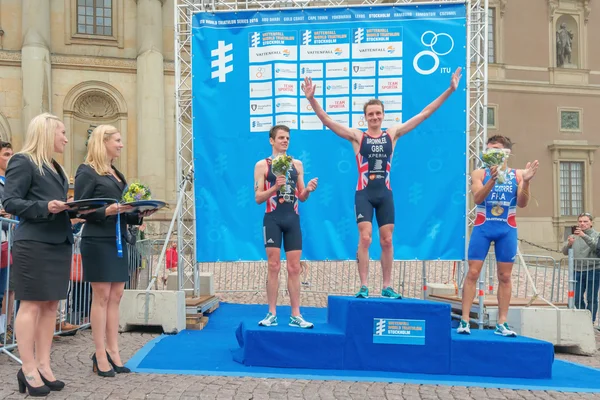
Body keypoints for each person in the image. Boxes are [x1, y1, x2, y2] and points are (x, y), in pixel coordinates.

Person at [302, 68, 462, 299]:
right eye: (371, 114)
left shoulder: (392, 134)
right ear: (365, 117)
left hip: (385, 194)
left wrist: (449, 90)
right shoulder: (358, 137)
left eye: (378, 113)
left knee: (387, 240)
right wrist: (312, 99)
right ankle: (364, 285)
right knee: (365, 237)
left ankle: (387, 285)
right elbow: (327, 121)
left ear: (383, 115)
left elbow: (425, 113)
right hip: (364, 194)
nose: (375, 117)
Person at [3, 113, 74, 395]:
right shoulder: (23, 160)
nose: (67, 139)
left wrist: (74, 209)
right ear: (47, 133)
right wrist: (47, 207)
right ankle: (27, 367)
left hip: (58, 241)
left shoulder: (56, 167)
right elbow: (10, 201)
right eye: (62, 133)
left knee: (50, 307)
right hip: (33, 242)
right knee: (30, 305)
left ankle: (44, 365)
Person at [74, 125, 151, 377]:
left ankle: (114, 351)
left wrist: (138, 214)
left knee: (117, 295)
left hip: (118, 240)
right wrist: (104, 212)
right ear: (103, 141)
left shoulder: (117, 173)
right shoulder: (86, 171)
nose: (121, 144)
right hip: (97, 240)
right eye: (117, 140)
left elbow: (124, 214)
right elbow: (79, 211)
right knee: (102, 297)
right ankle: (99, 353)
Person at [457, 135, 539, 337]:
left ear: (506, 153)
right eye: (489, 149)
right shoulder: (479, 173)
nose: (491, 153)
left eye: (496, 149)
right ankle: (465, 320)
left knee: (505, 276)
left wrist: (526, 182)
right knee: (473, 273)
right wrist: (492, 180)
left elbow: (522, 203)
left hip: (507, 228)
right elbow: (477, 198)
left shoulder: (517, 174)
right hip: (483, 227)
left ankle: (502, 323)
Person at [253, 125, 318, 328]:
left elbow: (302, 197)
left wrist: (307, 189)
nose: (285, 141)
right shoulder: (262, 165)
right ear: (271, 140)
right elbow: (257, 198)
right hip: (272, 219)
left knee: (294, 268)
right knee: (273, 266)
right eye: (281, 137)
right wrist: (275, 187)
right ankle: (271, 313)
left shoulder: (296, 164)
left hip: (292, 220)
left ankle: (295, 314)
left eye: (287, 138)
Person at [562, 212, 600, 322]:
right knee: (577, 298)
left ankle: (590, 321)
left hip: (593, 270)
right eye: (580, 221)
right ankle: (584, 320)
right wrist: (569, 244)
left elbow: (596, 248)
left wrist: (584, 236)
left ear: (591, 223)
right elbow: (564, 252)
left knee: (591, 298)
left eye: (585, 221)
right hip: (577, 271)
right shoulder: (574, 236)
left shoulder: (597, 235)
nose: (582, 224)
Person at [0, 141, 14, 345]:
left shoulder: (13, 181)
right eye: (6, 154)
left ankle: (6, 329)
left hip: (13, 239)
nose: (10, 158)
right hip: (3, 236)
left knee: (10, 287)